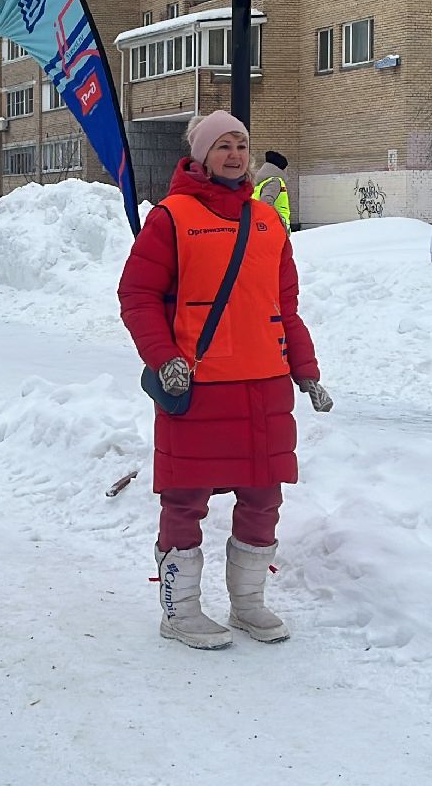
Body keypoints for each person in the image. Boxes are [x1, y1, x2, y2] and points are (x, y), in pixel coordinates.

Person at [117, 110, 332, 650]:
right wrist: (163, 357)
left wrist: (306, 372)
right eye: (223, 145)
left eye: (241, 144)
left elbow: (284, 306)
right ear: (201, 155)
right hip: (197, 385)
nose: (235, 154)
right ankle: (180, 610)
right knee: (185, 500)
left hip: (265, 387)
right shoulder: (172, 217)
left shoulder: (268, 222)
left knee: (263, 498)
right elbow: (137, 296)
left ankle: (248, 603)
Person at [253, 150, 292, 228]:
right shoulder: (275, 181)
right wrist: (280, 221)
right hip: (275, 227)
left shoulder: (260, 183)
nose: (287, 170)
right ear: (280, 168)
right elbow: (266, 203)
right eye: (286, 168)